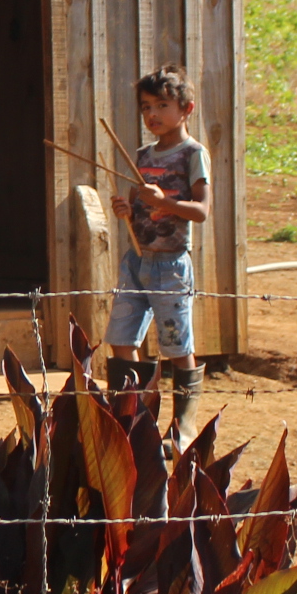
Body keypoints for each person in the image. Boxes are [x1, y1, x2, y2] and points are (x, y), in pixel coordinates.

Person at [106, 68, 211, 448]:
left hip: (170, 265)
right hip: (135, 259)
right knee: (121, 338)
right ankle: (133, 426)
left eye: (162, 106)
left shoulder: (193, 154)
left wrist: (163, 202)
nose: (153, 115)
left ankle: (183, 430)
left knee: (176, 345)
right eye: (146, 107)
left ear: (186, 109)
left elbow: (201, 211)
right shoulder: (141, 156)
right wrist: (126, 208)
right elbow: (139, 210)